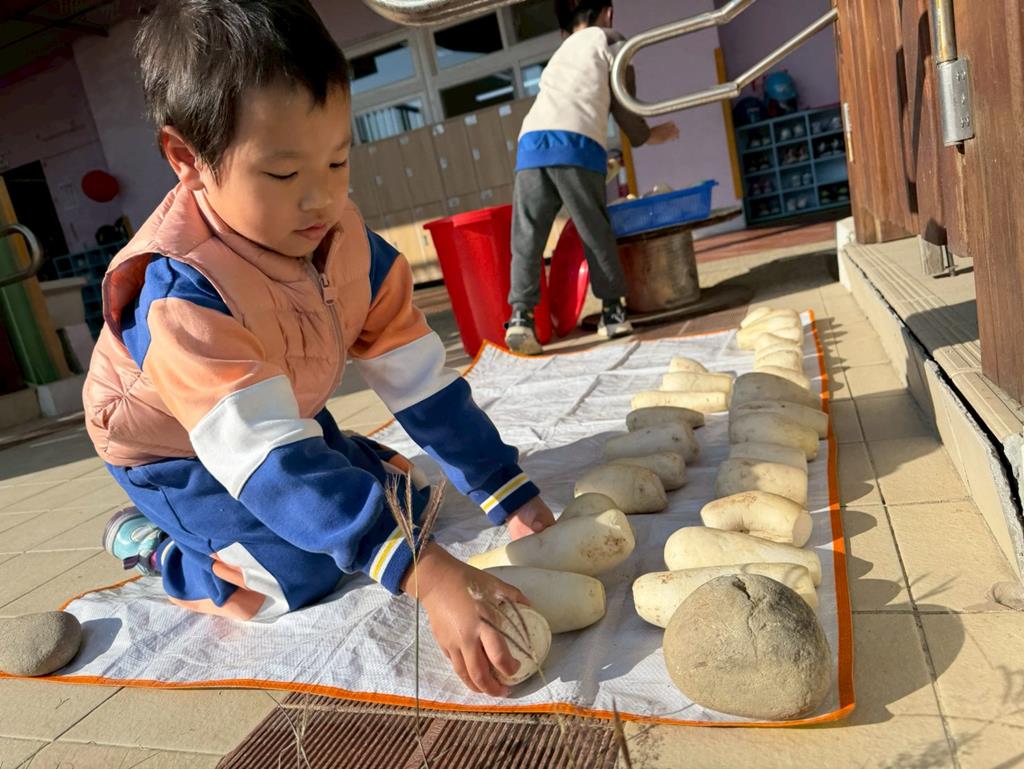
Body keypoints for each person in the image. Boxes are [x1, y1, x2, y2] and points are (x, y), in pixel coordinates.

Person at [82, 0, 556, 698]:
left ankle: (342, 467)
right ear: (187, 159)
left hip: (272, 411)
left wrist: (502, 485)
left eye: (338, 160)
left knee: (397, 508)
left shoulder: (345, 243)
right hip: (178, 453)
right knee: (296, 571)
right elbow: (266, 458)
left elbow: (420, 380)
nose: (321, 199)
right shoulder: (180, 295)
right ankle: (155, 547)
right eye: (282, 175)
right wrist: (429, 576)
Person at [505, 0, 680, 355]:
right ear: (608, 12)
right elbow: (625, 104)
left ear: (565, 29)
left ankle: (521, 318)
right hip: (576, 142)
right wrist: (649, 135)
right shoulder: (611, 40)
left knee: (527, 236)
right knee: (594, 229)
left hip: (531, 144)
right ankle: (613, 313)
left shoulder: (560, 54)